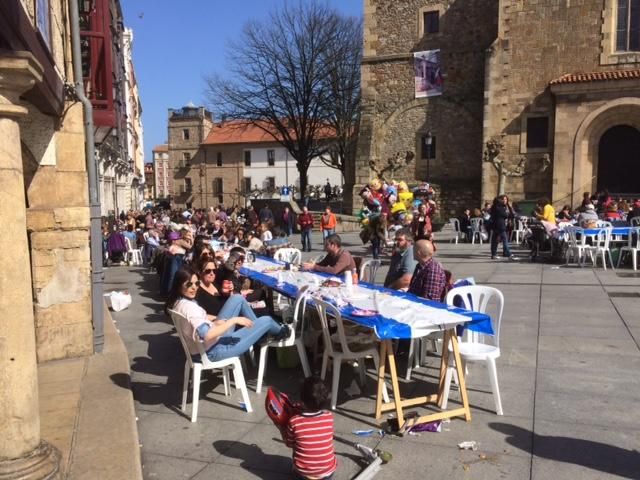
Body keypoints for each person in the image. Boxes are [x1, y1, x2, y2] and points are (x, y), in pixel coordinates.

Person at [165, 267, 289, 363]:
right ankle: (282, 331)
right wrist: (232, 320)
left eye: (196, 284)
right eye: (189, 284)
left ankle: (259, 334)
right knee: (266, 320)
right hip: (213, 350)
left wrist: (215, 320)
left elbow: (196, 320)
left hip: (205, 346)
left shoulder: (179, 302)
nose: (194, 288)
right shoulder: (190, 308)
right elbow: (206, 335)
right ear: (179, 285)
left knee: (237, 298)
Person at [283, 376, 337, 480]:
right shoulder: (329, 417)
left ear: (302, 403)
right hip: (327, 471)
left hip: (304, 473)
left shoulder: (294, 421)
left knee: (296, 452)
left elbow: (289, 443)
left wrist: (282, 428)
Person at [490, 195, 515, 260]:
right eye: (502, 200)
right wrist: (507, 214)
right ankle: (508, 253)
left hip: (495, 226)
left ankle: (494, 254)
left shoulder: (493, 207)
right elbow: (505, 215)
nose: (503, 201)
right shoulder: (500, 208)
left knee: (494, 241)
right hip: (501, 226)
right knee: (505, 239)